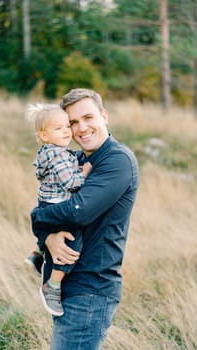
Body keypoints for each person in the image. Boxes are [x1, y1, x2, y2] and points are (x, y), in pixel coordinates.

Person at [31, 88, 140, 350]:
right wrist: (48, 237)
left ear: (104, 116)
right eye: (73, 123)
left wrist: (36, 218)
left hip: (91, 289)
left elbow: (78, 211)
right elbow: (55, 206)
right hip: (68, 286)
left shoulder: (117, 161)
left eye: (88, 117)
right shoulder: (76, 159)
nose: (81, 128)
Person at [24, 103, 92, 316]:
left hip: (48, 204)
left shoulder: (49, 152)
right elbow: (71, 183)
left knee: (57, 236)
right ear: (43, 135)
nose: (66, 132)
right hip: (58, 205)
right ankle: (52, 287)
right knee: (73, 242)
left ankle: (37, 255)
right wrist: (86, 172)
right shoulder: (58, 155)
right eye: (58, 129)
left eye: (66, 126)